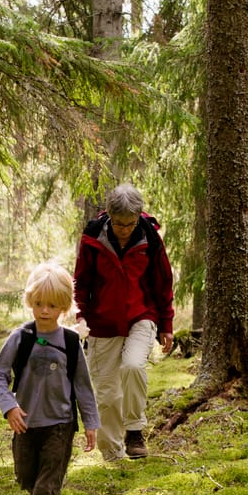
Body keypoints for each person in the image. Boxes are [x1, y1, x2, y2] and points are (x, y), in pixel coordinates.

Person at [0, 262, 99, 495]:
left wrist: (90, 423)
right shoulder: (22, 337)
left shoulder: (71, 342)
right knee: (26, 475)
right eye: (39, 304)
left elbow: (83, 386)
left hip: (60, 423)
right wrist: (9, 407)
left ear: (63, 306)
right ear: (30, 302)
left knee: (51, 469)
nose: (45, 311)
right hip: (26, 421)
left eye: (52, 305)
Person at [73, 183, 174, 461]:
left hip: (142, 316)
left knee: (132, 366)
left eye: (130, 224)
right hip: (102, 323)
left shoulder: (150, 238)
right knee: (107, 396)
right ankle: (113, 455)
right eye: (119, 224)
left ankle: (135, 430)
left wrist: (166, 324)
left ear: (139, 217)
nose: (125, 229)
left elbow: (163, 282)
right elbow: (80, 282)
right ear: (109, 216)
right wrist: (80, 314)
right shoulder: (93, 236)